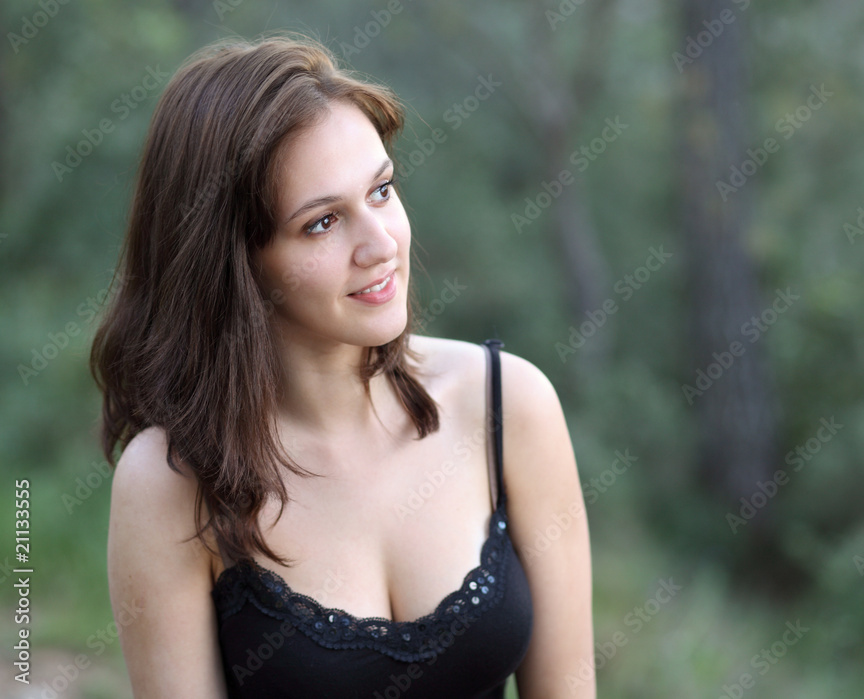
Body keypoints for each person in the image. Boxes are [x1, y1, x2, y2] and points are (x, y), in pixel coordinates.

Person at [91, 34, 594, 698]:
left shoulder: (509, 405)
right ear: (235, 262)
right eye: (323, 222)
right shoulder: (172, 482)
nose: (381, 244)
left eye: (382, 190)